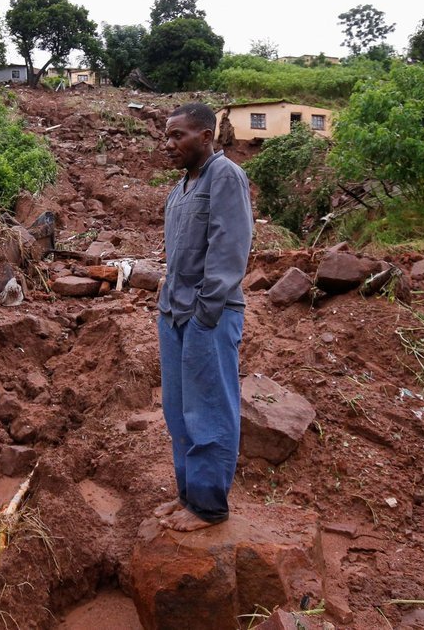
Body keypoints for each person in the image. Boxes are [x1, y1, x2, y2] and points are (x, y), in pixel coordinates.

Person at [154, 102, 253, 532]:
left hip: (207, 315)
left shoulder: (225, 176)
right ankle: (188, 497)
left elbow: (230, 249)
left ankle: (209, 507)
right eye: (167, 135)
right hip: (174, 313)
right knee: (178, 412)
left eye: (178, 135)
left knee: (209, 411)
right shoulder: (180, 189)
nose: (169, 143)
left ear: (206, 136)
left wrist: (205, 313)